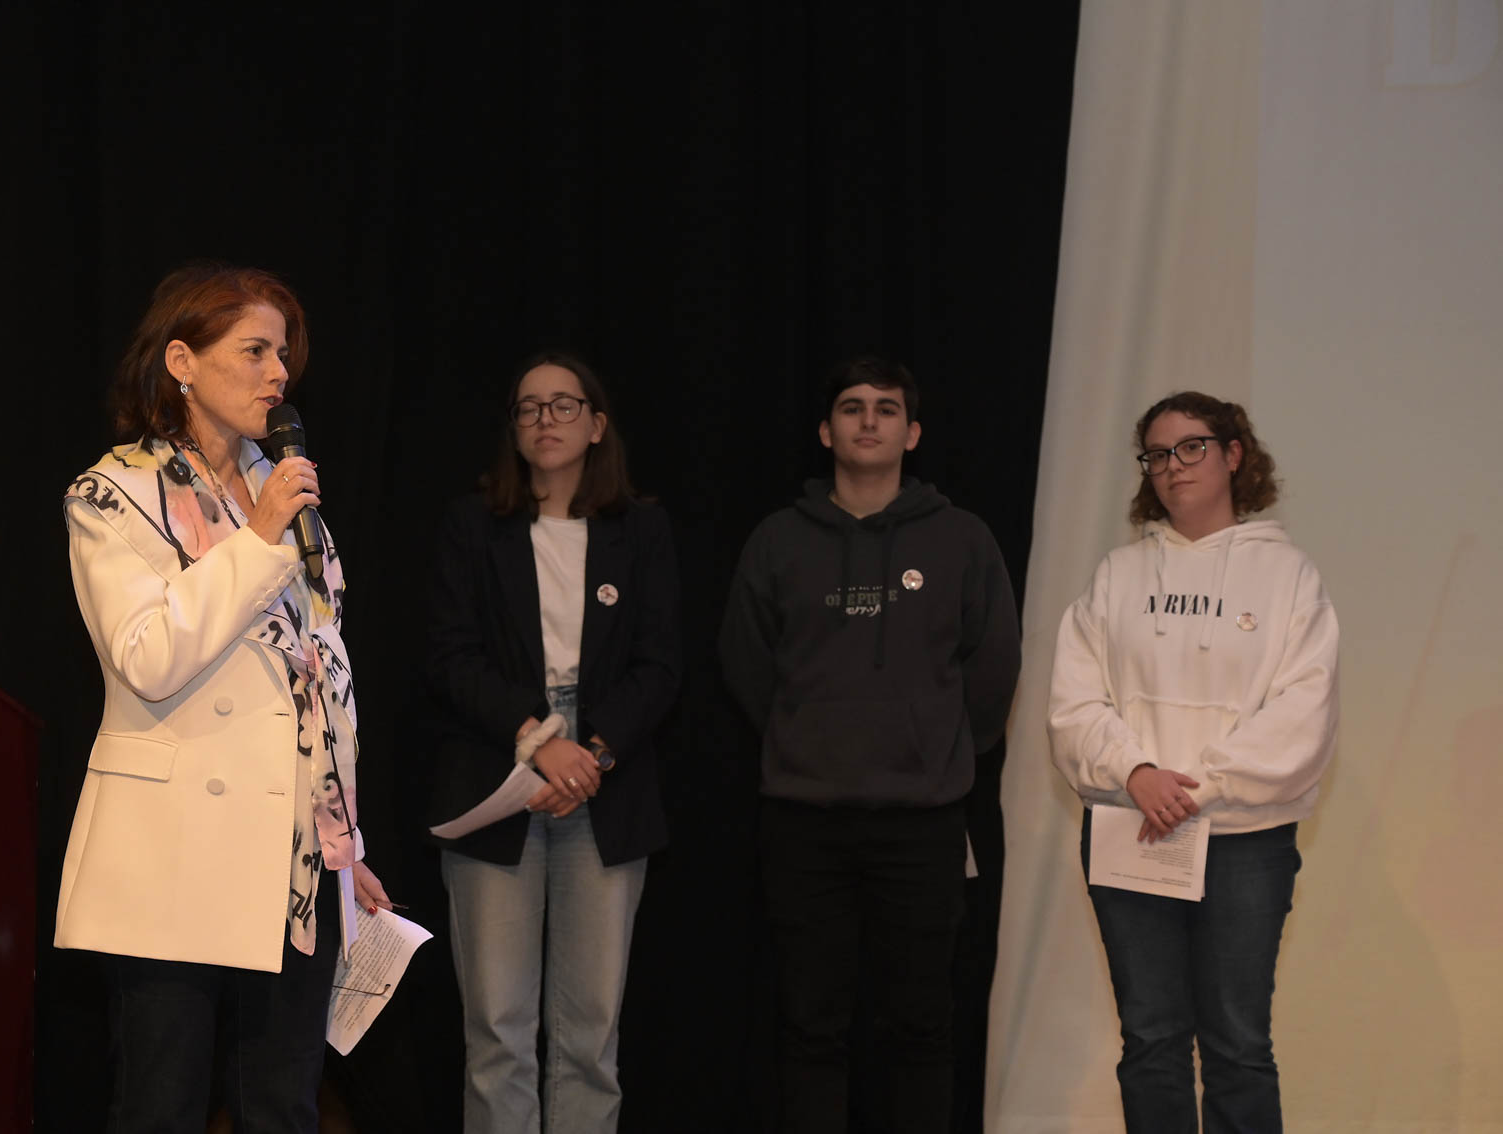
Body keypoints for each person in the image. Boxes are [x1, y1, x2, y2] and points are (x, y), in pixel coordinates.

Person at [54, 263, 391, 1132]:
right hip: (171, 853)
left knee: (282, 1107)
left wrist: (343, 843)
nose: (279, 374)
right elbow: (149, 658)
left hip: (291, 864)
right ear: (182, 361)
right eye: (254, 351)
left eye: (283, 355)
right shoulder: (112, 495)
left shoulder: (285, 495)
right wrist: (260, 536)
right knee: (160, 1107)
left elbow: (323, 681)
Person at [718, 355, 1021, 1133]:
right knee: (809, 1023)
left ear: (911, 433)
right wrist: (806, 738)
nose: (867, 421)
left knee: (920, 1025)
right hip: (803, 822)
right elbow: (746, 666)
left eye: (886, 409)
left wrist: (935, 748)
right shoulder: (778, 540)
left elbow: (992, 670)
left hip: (922, 824)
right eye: (851, 407)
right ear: (826, 431)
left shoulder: (961, 539)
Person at [1047, 391, 1339, 1133]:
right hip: (1131, 830)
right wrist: (1135, 774)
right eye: (1156, 454)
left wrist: (1197, 788)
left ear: (1233, 454)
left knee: (1238, 1046)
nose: (1173, 465)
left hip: (1245, 842)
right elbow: (1074, 702)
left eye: (1191, 447)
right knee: (1151, 1042)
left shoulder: (1288, 575)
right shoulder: (1117, 574)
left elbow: (1303, 712)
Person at [425, 351, 681, 1133]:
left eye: (563, 404)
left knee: (589, 1035)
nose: (545, 419)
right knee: (497, 1030)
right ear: (513, 428)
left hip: (606, 778)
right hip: (495, 768)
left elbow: (660, 665)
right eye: (529, 407)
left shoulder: (641, 528)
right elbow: (449, 656)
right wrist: (540, 741)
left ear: (596, 425)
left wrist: (589, 758)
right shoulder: (473, 524)